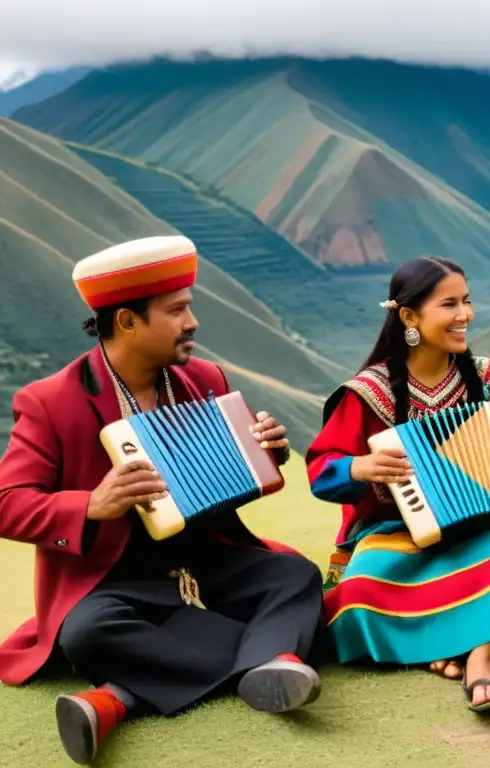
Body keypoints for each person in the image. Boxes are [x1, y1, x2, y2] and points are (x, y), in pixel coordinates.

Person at [0, 236, 325, 765]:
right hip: (114, 583)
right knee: (87, 633)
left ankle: (117, 697)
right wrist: (90, 505)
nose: (192, 322)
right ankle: (270, 658)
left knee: (294, 577)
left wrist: (268, 453)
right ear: (127, 322)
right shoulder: (50, 401)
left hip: (207, 562)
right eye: (177, 311)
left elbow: (236, 480)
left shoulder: (206, 379)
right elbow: (7, 501)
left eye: (189, 307)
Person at [305, 256, 490, 713]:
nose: (465, 315)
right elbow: (321, 471)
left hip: (481, 527)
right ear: (409, 317)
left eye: (467, 301)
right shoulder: (368, 391)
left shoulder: (488, 379)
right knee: (358, 589)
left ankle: (481, 662)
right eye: (449, 304)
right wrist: (359, 469)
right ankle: (444, 643)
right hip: (393, 532)